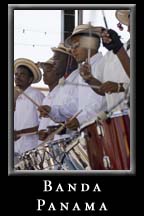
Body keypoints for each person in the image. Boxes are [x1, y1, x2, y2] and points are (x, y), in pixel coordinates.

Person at [79, 11, 130, 112]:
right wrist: (90, 79)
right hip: (119, 119)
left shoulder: (119, 50)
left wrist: (121, 87)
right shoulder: (111, 55)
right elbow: (104, 89)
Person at [38, 43, 78, 142]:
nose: (54, 62)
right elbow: (64, 112)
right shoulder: (63, 85)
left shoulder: (79, 80)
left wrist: (64, 129)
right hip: (59, 144)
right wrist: (51, 111)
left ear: (70, 61)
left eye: (57, 59)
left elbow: (81, 111)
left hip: (74, 143)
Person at [14, 58, 45, 155]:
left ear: (30, 79)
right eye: (16, 74)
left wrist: (20, 132)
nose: (17, 77)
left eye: (22, 74)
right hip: (15, 148)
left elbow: (44, 124)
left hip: (31, 149)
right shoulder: (14, 96)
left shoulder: (36, 95)